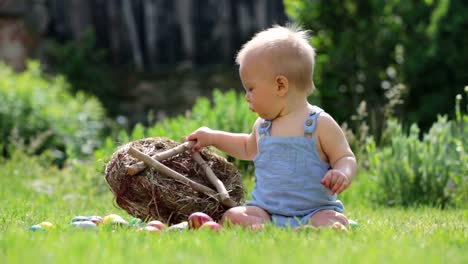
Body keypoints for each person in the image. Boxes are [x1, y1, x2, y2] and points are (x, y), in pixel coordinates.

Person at [187, 25, 357, 231]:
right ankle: (264, 227)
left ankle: (311, 229)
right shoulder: (263, 126)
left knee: (331, 219)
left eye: (251, 89)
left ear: (280, 86)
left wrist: (342, 172)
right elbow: (246, 147)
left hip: (314, 211)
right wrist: (213, 137)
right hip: (265, 212)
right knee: (234, 215)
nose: (246, 96)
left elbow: (345, 157)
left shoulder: (319, 123)